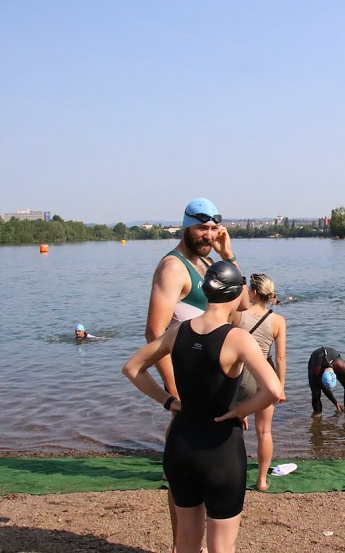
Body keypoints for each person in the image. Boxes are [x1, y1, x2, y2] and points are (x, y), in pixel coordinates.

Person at [123, 261, 279, 553]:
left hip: (180, 444)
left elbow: (132, 368)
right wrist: (240, 411)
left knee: (186, 543)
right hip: (221, 449)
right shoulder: (237, 338)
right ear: (235, 294)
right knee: (221, 547)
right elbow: (273, 390)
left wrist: (169, 402)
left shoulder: (178, 332)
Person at [144, 197, 246, 552]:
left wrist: (227, 255)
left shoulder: (204, 262)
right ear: (185, 225)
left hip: (213, 393)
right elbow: (155, 334)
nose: (207, 235)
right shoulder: (173, 268)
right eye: (201, 228)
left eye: (213, 229)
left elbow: (242, 303)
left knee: (204, 482)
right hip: (189, 398)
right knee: (185, 494)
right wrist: (174, 397)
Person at [228, 273, 286, 492]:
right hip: (266, 376)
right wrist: (280, 387)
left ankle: (231, 475)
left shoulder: (236, 315)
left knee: (232, 427)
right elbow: (280, 358)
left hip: (240, 376)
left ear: (252, 292)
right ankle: (261, 480)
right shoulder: (278, 321)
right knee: (264, 432)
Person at [307, 346, 345, 415]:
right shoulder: (315, 372)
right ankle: (317, 415)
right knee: (315, 393)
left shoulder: (339, 365)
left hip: (334, 356)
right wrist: (336, 403)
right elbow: (323, 387)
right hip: (315, 358)